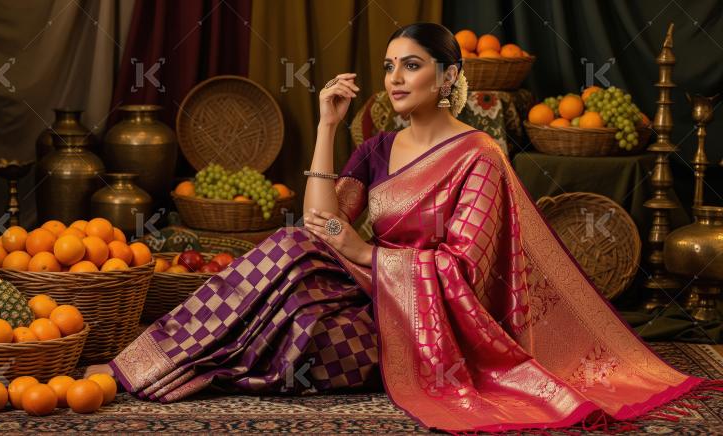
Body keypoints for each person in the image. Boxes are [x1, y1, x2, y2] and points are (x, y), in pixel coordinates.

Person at [86, 22, 715, 433]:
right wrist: (328, 125)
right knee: (287, 247)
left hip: (429, 328)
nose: (394, 78)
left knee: (307, 333)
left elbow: (464, 271)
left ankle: (182, 368)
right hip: (367, 288)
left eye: (410, 66)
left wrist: (365, 249)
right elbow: (317, 223)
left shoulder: (478, 158)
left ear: (447, 78)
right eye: (388, 66)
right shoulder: (377, 146)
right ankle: (140, 368)